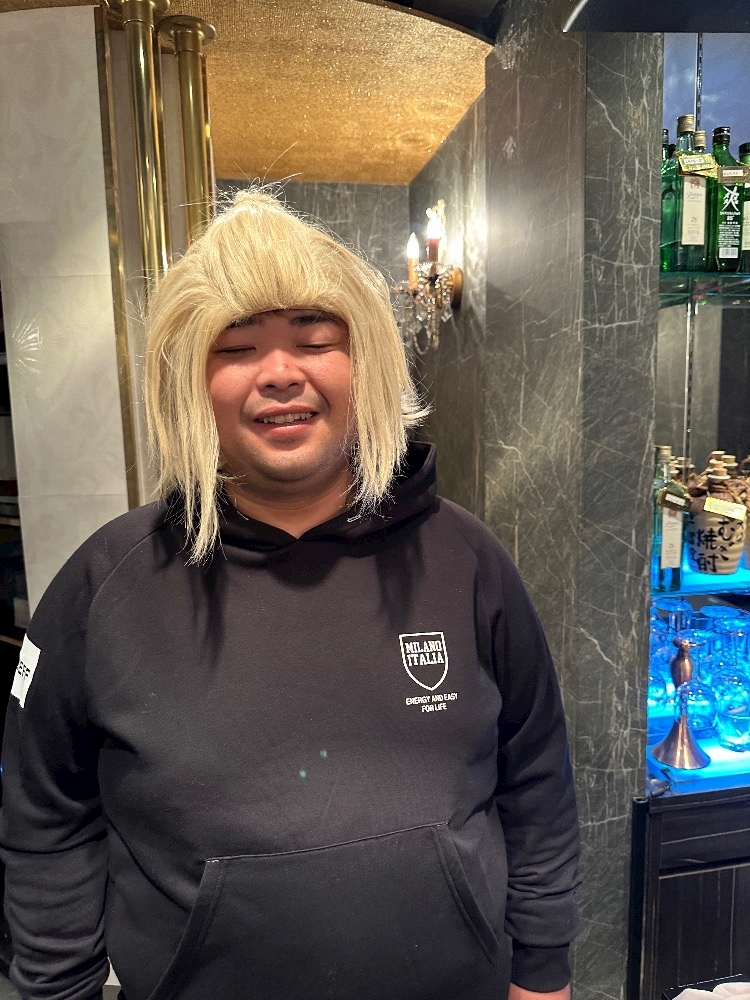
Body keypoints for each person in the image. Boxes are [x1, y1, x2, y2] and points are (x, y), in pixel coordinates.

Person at [0, 190, 580, 1000]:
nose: (280, 374)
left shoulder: (468, 559)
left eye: (315, 340)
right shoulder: (104, 585)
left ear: (365, 364)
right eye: (236, 348)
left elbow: (538, 781)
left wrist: (544, 974)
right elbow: (44, 818)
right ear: (191, 383)